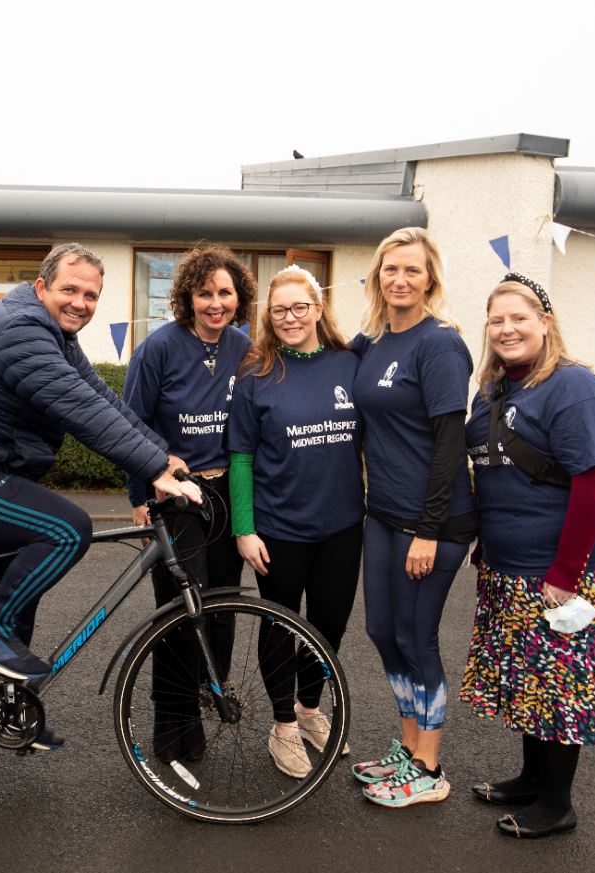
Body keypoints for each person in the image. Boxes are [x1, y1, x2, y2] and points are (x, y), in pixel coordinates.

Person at [0, 243, 201, 748]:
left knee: (25, 585)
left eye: (91, 295)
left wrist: (161, 454)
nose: (80, 302)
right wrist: (150, 466)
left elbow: (97, 395)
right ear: (41, 287)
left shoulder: (52, 332)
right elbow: (76, 409)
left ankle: (14, 708)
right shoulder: (22, 330)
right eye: (70, 289)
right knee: (67, 529)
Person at [460, 273, 595, 838]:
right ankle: (530, 779)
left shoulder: (572, 386)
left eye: (519, 318)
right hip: (511, 566)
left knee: (563, 688)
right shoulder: (495, 388)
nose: (507, 329)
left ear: (545, 323)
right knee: (532, 683)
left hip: (568, 573)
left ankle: (556, 804)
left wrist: (566, 573)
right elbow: (494, 473)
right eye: (497, 320)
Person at [348, 227, 476, 808]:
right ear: (377, 277)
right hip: (383, 514)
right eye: (390, 270)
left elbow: (451, 444)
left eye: (413, 271)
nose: (400, 280)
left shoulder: (439, 344)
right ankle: (406, 748)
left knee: (416, 637)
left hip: (434, 522)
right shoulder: (374, 343)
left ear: (431, 280)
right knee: (382, 632)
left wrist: (428, 529)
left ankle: (430, 766)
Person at [227, 265, 363, 779]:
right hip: (279, 528)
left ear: (319, 308)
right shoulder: (257, 377)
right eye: (279, 309)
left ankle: (309, 710)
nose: (290, 317)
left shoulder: (349, 364)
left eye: (299, 307)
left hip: (343, 525)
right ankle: (282, 724)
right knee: (280, 627)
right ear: (268, 316)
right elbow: (240, 457)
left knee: (328, 627)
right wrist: (244, 528)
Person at [123, 244, 253, 764]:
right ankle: (172, 722)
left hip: (226, 494)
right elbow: (131, 422)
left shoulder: (245, 347)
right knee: (182, 610)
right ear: (188, 297)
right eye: (205, 293)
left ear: (237, 296)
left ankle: (209, 697)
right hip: (176, 495)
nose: (215, 302)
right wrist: (139, 496)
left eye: (225, 292)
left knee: (222, 609)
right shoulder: (159, 348)